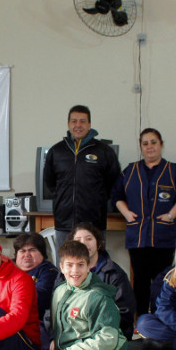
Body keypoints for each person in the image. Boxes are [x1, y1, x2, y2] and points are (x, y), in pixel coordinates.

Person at [22, 240, 125, 350]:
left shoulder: (98, 296)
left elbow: (108, 340)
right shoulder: (60, 290)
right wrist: (55, 339)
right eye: (69, 265)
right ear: (61, 267)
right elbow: (56, 322)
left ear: (89, 266)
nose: (75, 271)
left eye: (80, 265)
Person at [112, 128, 176, 318]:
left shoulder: (173, 171)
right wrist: (127, 214)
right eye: (145, 143)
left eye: (153, 142)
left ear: (161, 144)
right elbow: (116, 196)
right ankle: (141, 321)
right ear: (141, 147)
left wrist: (171, 215)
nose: (150, 147)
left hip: (164, 236)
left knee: (163, 280)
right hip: (138, 236)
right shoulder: (130, 171)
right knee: (140, 280)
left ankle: (161, 318)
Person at [43, 105, 121, 248]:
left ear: (89, 124)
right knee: (66, 267)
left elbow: (114, 182)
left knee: (95, 265)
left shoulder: (104, 151)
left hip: (94, 223)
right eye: (74, 121)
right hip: (64, 222)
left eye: (82, 121)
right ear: (68, 124)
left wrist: (97, 200)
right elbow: (50, 181)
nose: (78, 125)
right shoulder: (56, 151)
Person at [66, 222, 136, 338]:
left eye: (89, 239)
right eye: (78, 239)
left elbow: (125, 312)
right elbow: (53, 310)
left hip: (106, 335)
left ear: (98, 244)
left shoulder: (114, 274)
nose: (83, 243)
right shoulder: (64, 274)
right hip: (72, 332)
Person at [13, 232, 59, 350]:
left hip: (38, 323)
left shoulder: (48, 271)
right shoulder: (8, 270)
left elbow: (39, 298)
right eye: (22, 251)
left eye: (32, 250)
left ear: (42, 254)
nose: (26, 254)